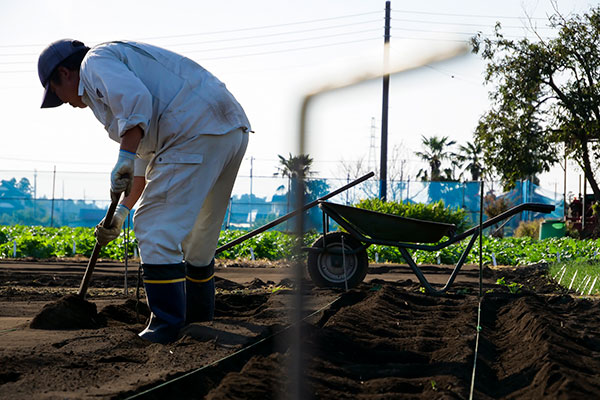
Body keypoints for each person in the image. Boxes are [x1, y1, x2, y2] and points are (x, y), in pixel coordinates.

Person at [38, 39, 251, 343]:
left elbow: (136, 104)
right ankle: (199, 319)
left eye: (56, 92)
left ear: (65, 73)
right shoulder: (113, 79)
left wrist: (123, 157)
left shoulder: (95, 62)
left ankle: (165, 326)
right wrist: (122, 211)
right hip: (227, 129)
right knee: (198, 239)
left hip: (191, 131)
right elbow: (142, 159)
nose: (64, 102)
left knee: (154, 226)